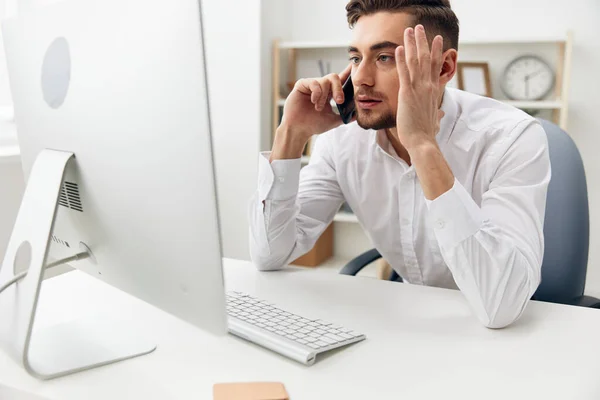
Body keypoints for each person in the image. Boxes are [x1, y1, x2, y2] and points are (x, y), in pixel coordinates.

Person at [248, 0, 551, 329]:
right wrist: (291, 133)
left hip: (497, 337)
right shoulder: (342, 140)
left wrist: (422, 144)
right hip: (406, 325)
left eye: (384, 58)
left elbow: (501, 305)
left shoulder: (512, 137)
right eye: (355, 57)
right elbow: (269, 255)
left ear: (444, 68)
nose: (361, 78)